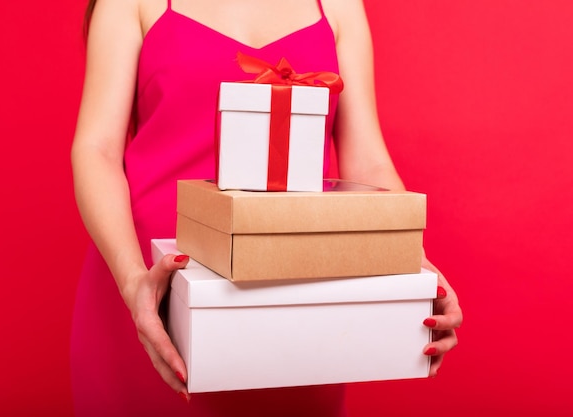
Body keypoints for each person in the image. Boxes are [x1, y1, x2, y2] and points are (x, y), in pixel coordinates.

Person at [70, 0, 463, 415]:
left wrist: (417, 269)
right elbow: (96, 151)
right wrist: (135, 285)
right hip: (153, 292)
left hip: (293, 299)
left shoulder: (339, 5)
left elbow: (367, 159)